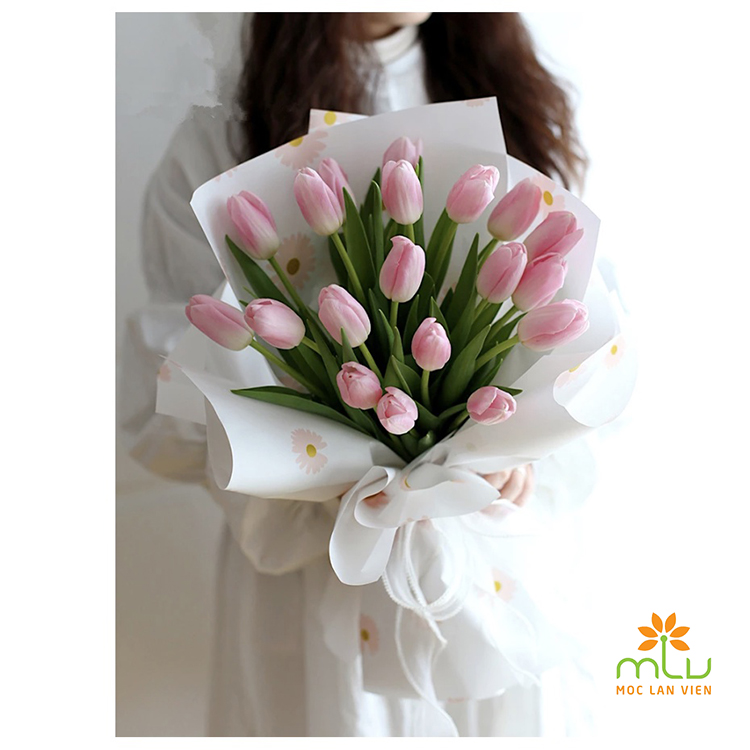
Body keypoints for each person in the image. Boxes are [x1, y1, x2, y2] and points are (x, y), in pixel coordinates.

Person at [125, 12, 593, 737]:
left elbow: (584, 333)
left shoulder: (520, 100)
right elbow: (165, 387)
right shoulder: (224, 135)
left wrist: (519, 452)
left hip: (490, 565)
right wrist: (318, 479)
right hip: (316, 577)